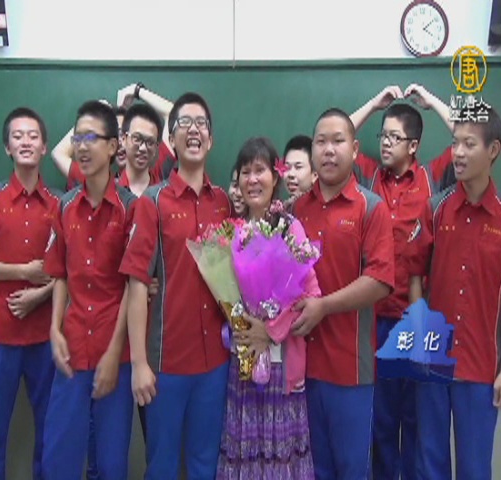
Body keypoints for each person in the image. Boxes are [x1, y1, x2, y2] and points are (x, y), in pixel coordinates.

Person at [407, 107, 501, 480]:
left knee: (474, 468)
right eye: (455, 143)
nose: (459, 153)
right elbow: (414, 273)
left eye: (469, 144)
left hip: (481, 366)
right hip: (433, 362)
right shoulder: (434, 210)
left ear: (493, 149)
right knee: (428, 465)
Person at [120, 92, 231, 480]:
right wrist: (139, 364)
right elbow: (137, 284)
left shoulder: (224, 203)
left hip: (216, 364)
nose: (194, 130)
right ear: (171, 139)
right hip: (166, 364)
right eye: (185, 123)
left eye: (202, 124)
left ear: (211, 139)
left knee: (205, 464)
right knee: (162, 465)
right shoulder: (152, 203)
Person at [350, 83, 454, 480]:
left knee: (418, 423)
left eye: (394, 137)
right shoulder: (368, 177)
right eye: (383, 135)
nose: (385, 142)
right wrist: (375, 104)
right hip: (374, 320)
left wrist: (431, 102)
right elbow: (337, 137)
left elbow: (470, 134)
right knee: (380, 422)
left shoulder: (433, 178)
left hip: (420, 321)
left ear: (414, 146)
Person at [291, 108, 395, 480]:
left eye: (338, 141)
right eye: (321, 142)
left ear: (355, 149)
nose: (329, 150)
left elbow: (379, 280)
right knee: (313, 470)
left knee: (351, 469)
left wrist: (324, 306)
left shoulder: (371, 208)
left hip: (350, 369)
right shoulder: (295, 209)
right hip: (301, 368)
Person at [0, 107, 60, 480]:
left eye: (33, 136)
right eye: (18, 136)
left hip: (45, 338)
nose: (25, 142)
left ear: (44, 146)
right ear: (7, 147)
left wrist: (41, 293)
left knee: (48, 433)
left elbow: (71, 270)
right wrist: (23, 272)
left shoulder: (60, 203)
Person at [41, 100, 135, 480]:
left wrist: (114, 353)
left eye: (90, 138)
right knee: (58, 458)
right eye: (77, 138)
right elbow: (59, 274)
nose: (81, 146)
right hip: (72, 345)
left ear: (113, 146)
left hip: (116, 351)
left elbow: (133, 285)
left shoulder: (132, 208)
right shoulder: (65, 207)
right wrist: (54, 329)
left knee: (111, 463)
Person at [216, 137, 318, 479]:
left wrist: (270, 331)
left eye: (260, 170)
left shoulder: (290, 228)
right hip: (244, 368)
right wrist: (239, 324)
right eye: (245, 172)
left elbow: (311, 296)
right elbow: (226, 294)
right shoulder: (233, 233)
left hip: (281, 367)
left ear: (276, 177)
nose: (252, 179)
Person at [51, 84, 175, 191]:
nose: (120, 142)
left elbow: (173, 114)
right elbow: (58, 153)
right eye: (115, 136)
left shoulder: (157, 173)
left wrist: (137, 90)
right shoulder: (101, 184)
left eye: (123, 134)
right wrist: (94, 113)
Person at [283, 134, 316, 198]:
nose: (290, 174)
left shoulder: (324, 203)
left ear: (314, 175)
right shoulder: (283, 204)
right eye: (287, 167)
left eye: (298, 167)